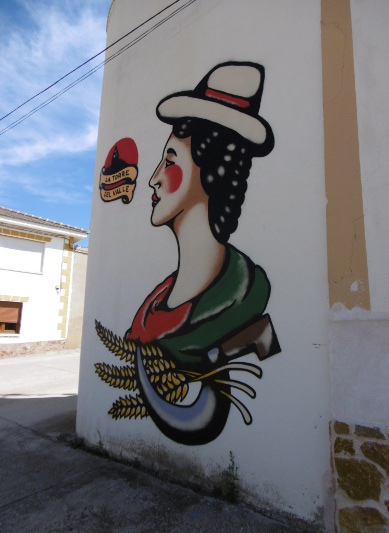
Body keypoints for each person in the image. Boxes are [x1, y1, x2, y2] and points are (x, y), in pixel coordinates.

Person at [96, 62, 280, 445]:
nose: (153, 178)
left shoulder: (245, 310)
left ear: (210, 173)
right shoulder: (151, 311)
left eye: (170, 161)